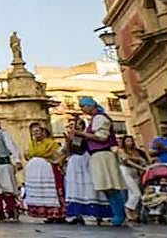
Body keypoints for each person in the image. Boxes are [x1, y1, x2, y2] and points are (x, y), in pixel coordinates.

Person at [67, 97, 127, 226]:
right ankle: (117, 213)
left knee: (110, 186)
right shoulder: (94, 119)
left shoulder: (99, 118)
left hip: (103, 154)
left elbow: (101, 137)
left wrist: (81, 134)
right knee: (106, 186)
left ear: (90, 106)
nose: (82, 109)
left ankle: (119, 214)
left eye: (83, 106)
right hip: (96, 155)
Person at [62, 117, 109, 223]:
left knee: (88, 184)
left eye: (74, 125)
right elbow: (68, 152)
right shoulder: (71, 137)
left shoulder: (83, 135)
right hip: (74, 161)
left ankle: (92, 212)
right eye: (70, 125)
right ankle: (76, 213)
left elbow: (78, 147)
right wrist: (67, 142)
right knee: (75, 186)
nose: (72, 127)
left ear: (81, 125)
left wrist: (72, 138)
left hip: (84, 160)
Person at [21, 122, 64, 223]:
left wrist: (55, 161)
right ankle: (46, 214)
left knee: (50, 192)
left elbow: (60, 154)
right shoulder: (31, 144)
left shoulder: (51, 143)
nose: (35, 133)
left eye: (37, 131)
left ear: (43, 132)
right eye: (33, 132)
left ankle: (56, 214)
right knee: (40, 192)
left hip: (47, 171)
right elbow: (27, 155)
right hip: (34, 172)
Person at [118, 135, 149, 222]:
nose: (130, 143)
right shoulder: (121, 150)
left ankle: (131, 213)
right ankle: (127, 208)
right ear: (124, 142)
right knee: (137, 194)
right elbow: (126, 161)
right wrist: (141, 167)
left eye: (131, 141)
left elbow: (144, 161)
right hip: (126, 170)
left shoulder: (136, 151)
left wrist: (144, 166)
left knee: (132, 194)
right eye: (127, 141)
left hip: (136, 173)